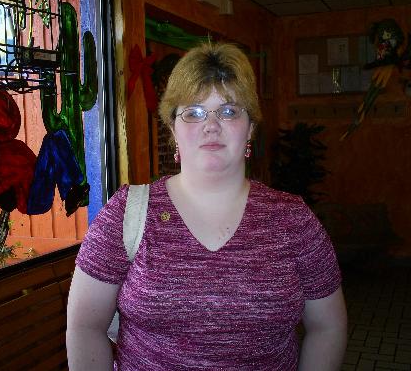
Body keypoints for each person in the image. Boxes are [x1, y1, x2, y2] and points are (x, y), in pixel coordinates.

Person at [66, 42, 347, 370]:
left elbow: (328, 325)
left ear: (250, 128)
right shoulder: (125, 215)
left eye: (229, 111)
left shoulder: (294, 221)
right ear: (173, 128)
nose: (211, 125)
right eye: (194, 112)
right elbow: (85, 327)